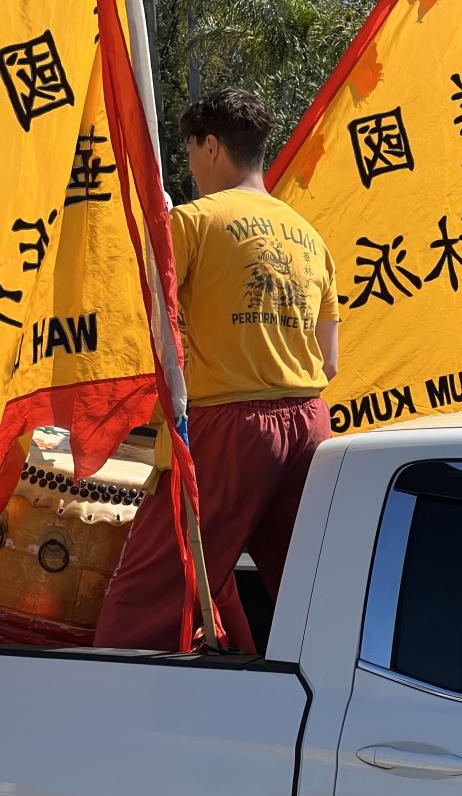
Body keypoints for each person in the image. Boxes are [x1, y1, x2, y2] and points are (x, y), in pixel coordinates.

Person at [94, 87, 339, 653]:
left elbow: (147, 330)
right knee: (312, 591)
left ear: (209, 147)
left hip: (228, 426)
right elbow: (328, 360)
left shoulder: (192, 222)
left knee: (149, 594)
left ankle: (105, 716)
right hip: (309, 424)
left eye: (189, 153)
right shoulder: (311, 236)